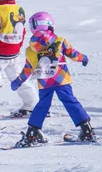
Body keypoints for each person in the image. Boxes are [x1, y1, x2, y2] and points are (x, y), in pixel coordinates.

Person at [11, 12, 95, 147]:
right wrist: (83, 58)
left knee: (42, 106)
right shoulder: (60, 41)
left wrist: (19, 80)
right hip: (62, 79)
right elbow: (73, 54)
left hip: (45, 80)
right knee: (71, 102)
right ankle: (87, 131)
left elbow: (29, 68)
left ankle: (31, 134)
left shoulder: (30, 49)